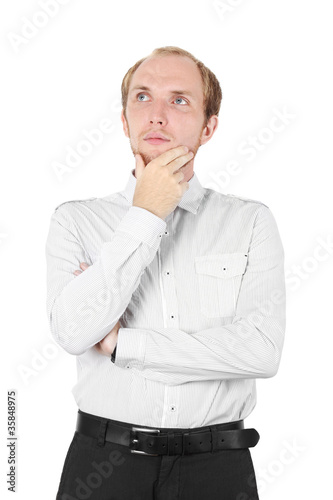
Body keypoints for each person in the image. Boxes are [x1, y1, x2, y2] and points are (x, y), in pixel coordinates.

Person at [45, 46, 286, 500]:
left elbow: (262, 352)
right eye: (142, 97)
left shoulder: (250, 222)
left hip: (219, 470)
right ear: (123, 120)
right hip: (103, 467)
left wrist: (123, 344)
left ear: (208, 126)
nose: (156, 115)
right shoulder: (75, 220)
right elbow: (73, 331)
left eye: (179, 100)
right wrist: (146, 214)